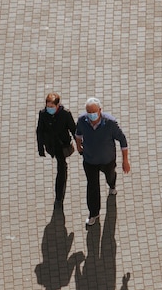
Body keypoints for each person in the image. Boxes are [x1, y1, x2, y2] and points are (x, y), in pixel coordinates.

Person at [75, 97, 130, 226]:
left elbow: (122, 141)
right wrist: (78, 146)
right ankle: (94, 213)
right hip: (90, 160)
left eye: (94, 112)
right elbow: (78, 134)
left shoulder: (110, 123)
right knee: (92, 186)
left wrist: (125, 160)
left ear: (100, 110)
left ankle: (112, 185)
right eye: (89, 112)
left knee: (110, 176)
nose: (91, 115)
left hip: (107, 159)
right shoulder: (82, 120)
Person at [37, 92, 77, 203]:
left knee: (61, 168)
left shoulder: (65, 114)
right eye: (48, 106)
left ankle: (59, 195)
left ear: (58, 105)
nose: (49, 109)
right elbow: (39, 131)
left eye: (52, 106)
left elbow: (73, 129)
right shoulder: (43, 114)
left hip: (62, 145)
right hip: (51, 145)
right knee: (61, 165)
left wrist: (80, 144)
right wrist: (41, 148)